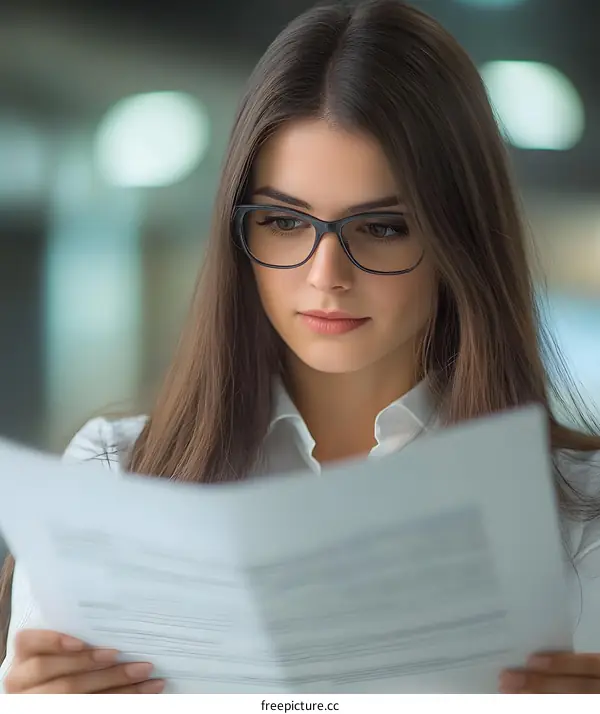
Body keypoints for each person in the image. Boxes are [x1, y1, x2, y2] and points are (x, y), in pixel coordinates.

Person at [1, 0, 600, 695]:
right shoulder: (111, 481)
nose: (325, 277)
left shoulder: (582, 514)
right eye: (284, 220)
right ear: (238, 233)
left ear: (457, 239)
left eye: (381, 228)